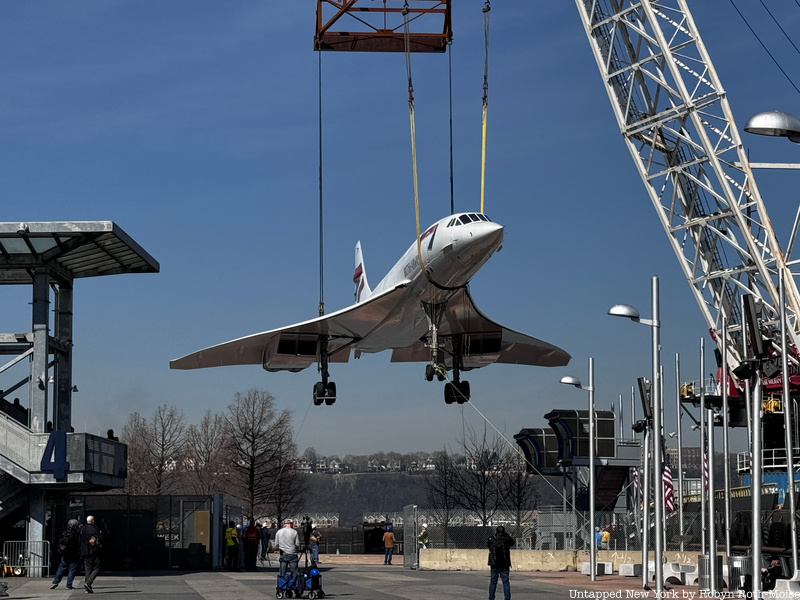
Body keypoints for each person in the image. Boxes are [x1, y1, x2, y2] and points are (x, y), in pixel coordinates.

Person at [51, 518, 81, 590]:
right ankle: (68, 585)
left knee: (61, 567)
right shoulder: (76, 534)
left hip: (64, 553)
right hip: (73, 553)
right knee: (72, 569)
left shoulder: (65, 532)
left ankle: (56, 582)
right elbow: (78, 543)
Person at [487, 525, 515, 600]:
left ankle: (491, 598)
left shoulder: (491, 539)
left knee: (493, 582)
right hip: (504, 563)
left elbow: (489, 547)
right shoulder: (506, 539)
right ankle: (507, 598)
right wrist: (507, 535)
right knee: (505, 582)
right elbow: (513, 542)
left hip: (494, 564)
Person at [79, 515, 102, 594]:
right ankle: (89, 582)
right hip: (93, 551)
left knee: (88, 569)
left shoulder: (83, 529)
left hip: (84, 551)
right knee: (97, 567)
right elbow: (100, 538)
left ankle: (87, 587)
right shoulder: (94, 529)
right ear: (93, 521)